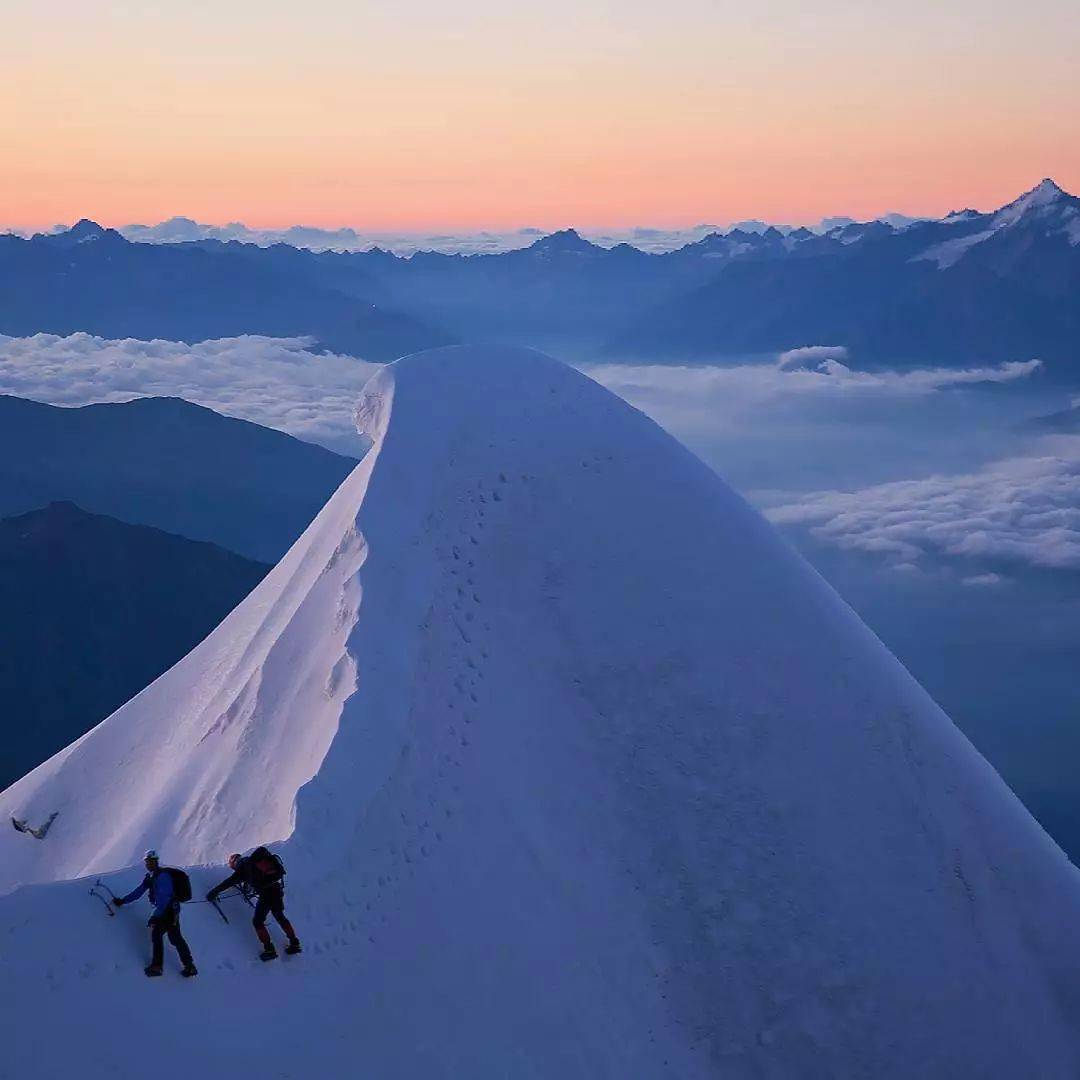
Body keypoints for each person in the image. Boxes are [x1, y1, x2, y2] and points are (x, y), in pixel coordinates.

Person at [114, 849, 198, 978]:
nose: (147, 864)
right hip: (171, 910)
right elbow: (139, 892)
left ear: (155, 861)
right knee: (175, 938)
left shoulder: (162, 876)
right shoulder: (152, 877)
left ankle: (157, 967)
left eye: (150, 861)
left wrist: (155, 916)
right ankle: (189, 966)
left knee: (157, 935)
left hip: (167, 910)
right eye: (147, 862)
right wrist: (123, 901)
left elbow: (164, 898)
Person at [207, 847, 301, 961]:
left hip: (266, 895)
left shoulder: (242, 870)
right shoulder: (254, 863)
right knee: (280, 916)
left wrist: (213, 892)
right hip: (277, 889)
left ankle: (269, 950)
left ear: (235, 864)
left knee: (257, 921)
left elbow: (228, 883)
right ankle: (294, 943)